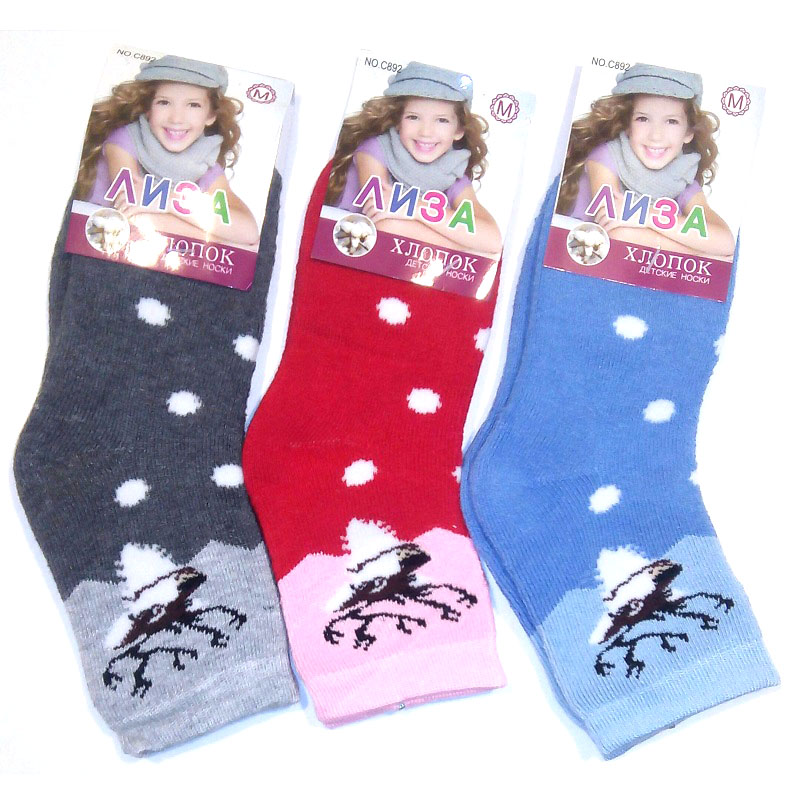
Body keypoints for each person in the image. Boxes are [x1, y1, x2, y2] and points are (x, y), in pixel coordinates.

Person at [75, 55, 259, 245]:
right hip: (98, 247)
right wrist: (217, 236)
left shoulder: (206, 163)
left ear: (211, 115)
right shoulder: (125, 140)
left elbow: (249, 233)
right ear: (148, 108)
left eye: (193, 105)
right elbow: (133, 217)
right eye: (164, 102)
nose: (176, 119)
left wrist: (170, 202)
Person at [557, 64, 734, 258]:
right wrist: (702, 254)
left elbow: (725, 243)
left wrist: (647, 217)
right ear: (627, 125)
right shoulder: (606, 157)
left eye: (671, 121)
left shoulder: (682, 178)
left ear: (688, 132)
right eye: (643, 119)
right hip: (575, 261)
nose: (656, 136)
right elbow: (616, 234)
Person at [326, 62, 502, 255]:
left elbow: (492, 241)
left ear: (459, 130)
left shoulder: (452, 173)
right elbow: (384, 226)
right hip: (342, 255)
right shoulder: (375, 149)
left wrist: (417, 209)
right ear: (397, 121)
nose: (426, 132)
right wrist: (463, 247)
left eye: (442, 120)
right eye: (413, 117)